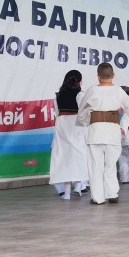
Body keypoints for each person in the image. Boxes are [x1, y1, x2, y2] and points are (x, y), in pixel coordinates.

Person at [76, 63, 129, 205]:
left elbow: (82, 112)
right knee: (110, 165)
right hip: (112, 132)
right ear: (113, 75)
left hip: (95, 132)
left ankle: (97, 198)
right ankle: (112, 193)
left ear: (98, 77)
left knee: (95, 166)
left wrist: (84, 122)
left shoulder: (91, 91)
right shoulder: (118, 91)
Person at [49, 70, 89, 200]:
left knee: (64, 157)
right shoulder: (80, 94)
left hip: (62, 125)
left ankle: (66, 192)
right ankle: (78, 185)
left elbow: (57, 112)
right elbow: (83, 113)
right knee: (79, 155)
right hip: (76, 125)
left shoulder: (58, 95)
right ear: (79, 81)